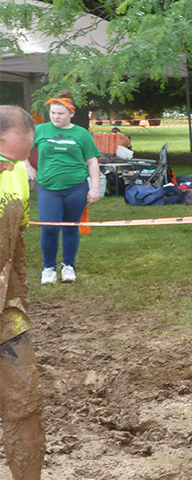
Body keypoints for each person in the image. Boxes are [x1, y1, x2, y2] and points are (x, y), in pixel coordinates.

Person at [0, 105, 44, 480]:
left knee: (25, 401)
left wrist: (19, 303)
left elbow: (17, 248)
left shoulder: (15, 176)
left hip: (4, 306)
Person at [28, 90, 101, 285]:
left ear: (71, 113)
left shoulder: (81, 134)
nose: (56, 117)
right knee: (49, 229)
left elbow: (92, 161)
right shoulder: (41, 130)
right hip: (48, 188)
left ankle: (68, 266)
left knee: (70, 228)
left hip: (76, 188)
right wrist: (28, 167)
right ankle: (48, 268)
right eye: (53, 113)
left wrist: (94, 188)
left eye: (60, 113)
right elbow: (23, 149)